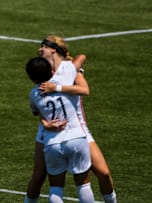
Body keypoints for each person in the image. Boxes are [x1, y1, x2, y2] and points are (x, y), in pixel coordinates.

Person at [24, 36, 117, 203]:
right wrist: (45, 123)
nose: (39, 50)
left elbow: (84, 88)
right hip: (49, 131)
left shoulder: (70, 69)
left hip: (77, 128)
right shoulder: (43, 69)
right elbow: (40, 110)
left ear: (53, 49)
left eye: (43, 46)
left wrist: (57, 87)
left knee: (102, 173)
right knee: (38, 177)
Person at [26, 56, 95, 203]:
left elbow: (36, 113)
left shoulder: (33, 95)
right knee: (83, 184)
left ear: (31, 79)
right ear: (52, 71)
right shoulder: (64, 82)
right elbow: (81, 58)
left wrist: (46, 124)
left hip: (53, 143)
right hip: (77, 138)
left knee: (56, 188)